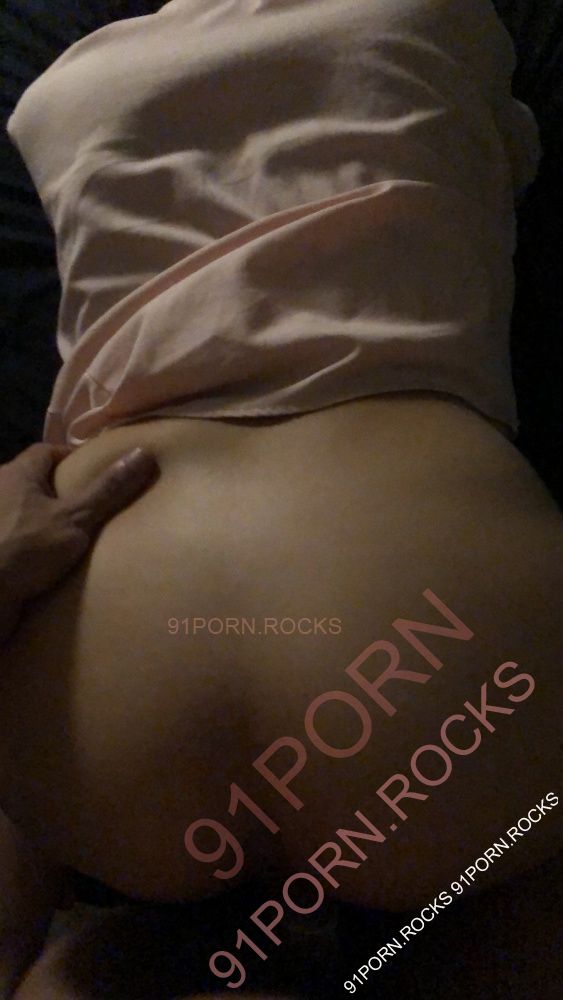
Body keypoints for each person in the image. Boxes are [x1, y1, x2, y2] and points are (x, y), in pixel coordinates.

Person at [2, 0, 562, 996]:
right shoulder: (443, 23)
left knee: (88, 964)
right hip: (463, 711)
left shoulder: (64, 79)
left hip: (100, 764)